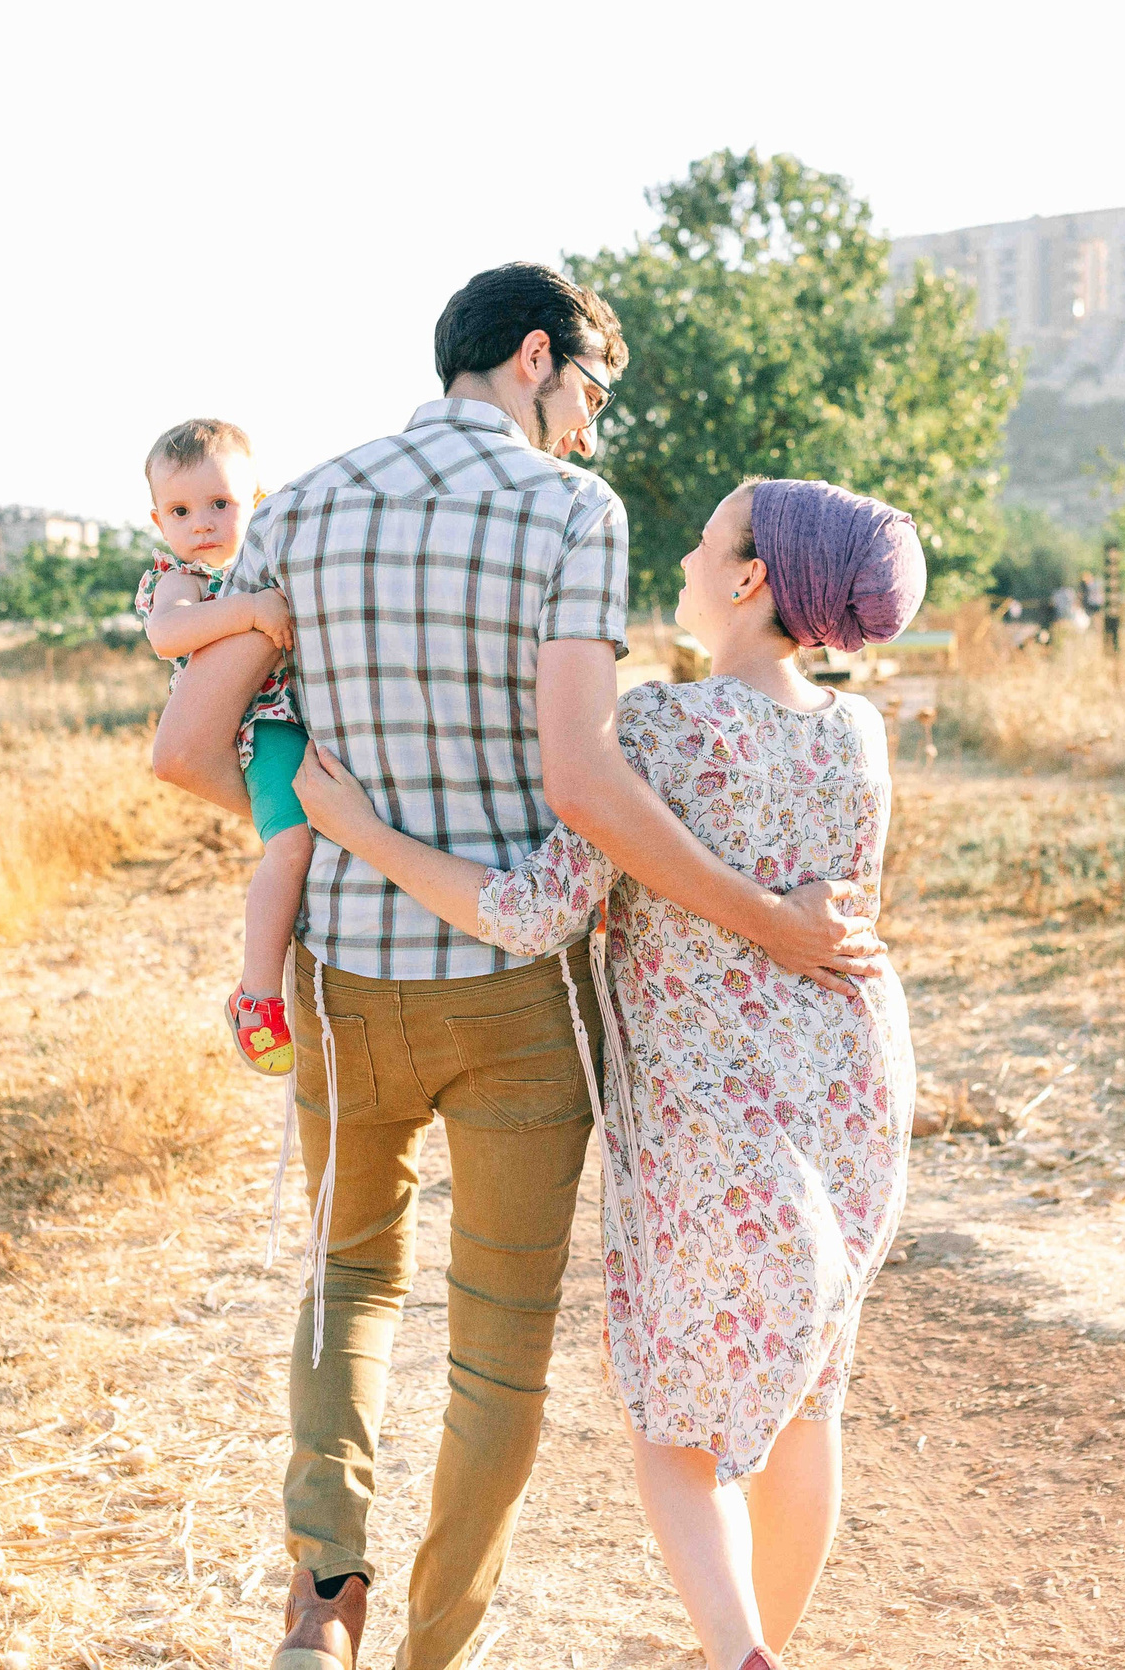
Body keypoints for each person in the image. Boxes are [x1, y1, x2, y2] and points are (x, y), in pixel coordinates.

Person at [148, 264, 881, 1670]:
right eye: (591, 393)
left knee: (345, 1276)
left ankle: (325, 1599)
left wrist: (325, 828)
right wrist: (766, 918)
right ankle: (438, 1647)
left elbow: (186, 747)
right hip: (518, 999)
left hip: (351, 980)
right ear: (534, 355)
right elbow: (581, 773)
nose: (593, 432)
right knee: (495, 1346)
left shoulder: (297, 506)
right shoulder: (570, 513)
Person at [293, 479, 921, 1670]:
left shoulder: (661, 729)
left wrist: (357, 827)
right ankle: (748, 1651)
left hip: (712, 1107)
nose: (682, 553)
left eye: (704, 537)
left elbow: (530, 910)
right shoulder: (860, 734)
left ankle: (739, 1656)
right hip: (853, 1088)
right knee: (806, 1392)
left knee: (674, 1422)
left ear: (747, 578)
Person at [133, 418, 307, 1075]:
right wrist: (251, 610)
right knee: (289, 847)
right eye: (180, 510)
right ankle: (256, 996)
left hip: (303, 718)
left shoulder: (265, 564)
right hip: (258, 726)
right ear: (158, 520)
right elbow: (168, 634)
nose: (200, 524)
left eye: (219, 504)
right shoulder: (180, 579)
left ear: (256, 502)